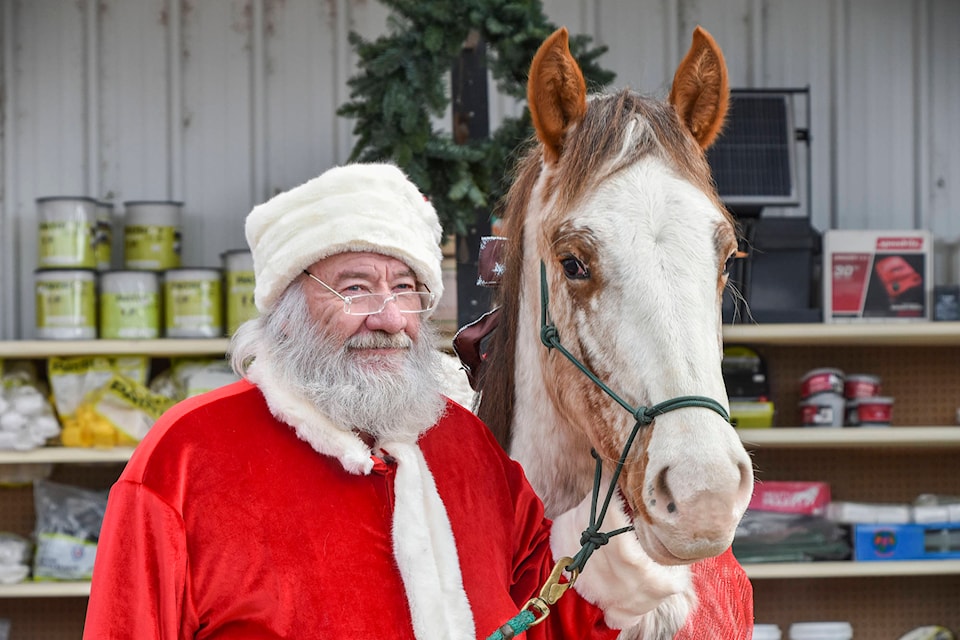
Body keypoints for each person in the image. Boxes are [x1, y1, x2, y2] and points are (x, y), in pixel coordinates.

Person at [83, 163, 747, 639]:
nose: (387, 315)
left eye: (405, 288)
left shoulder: (463, 446)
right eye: (354, 287)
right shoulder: (187, 456)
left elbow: (540, 617)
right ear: (288, 303)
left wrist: (614, 563)